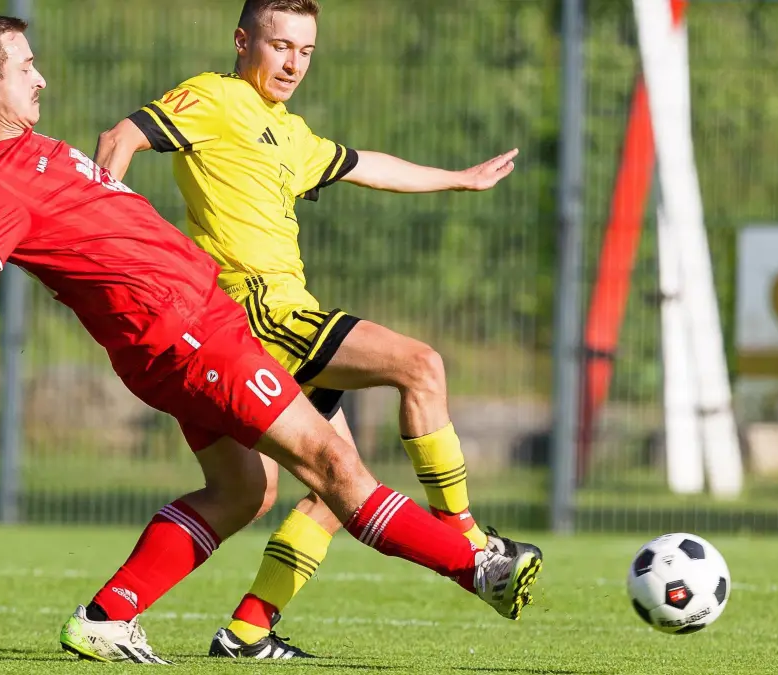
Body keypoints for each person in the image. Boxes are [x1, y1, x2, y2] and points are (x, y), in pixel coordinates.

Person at [0, 13, 542, 665]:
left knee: (243, 491)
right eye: (26, 66)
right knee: (334, 461)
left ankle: (107, 616)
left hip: (190, 328)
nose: (42, 78)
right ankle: (476, 565)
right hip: (189, 333)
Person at [94, 0, 541, 658]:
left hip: (277, 312)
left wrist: (458, 180)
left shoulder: (289, 132)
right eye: (280, 46)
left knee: (332, 486)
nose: (293, 63)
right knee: (421, 365)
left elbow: (364, 163)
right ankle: (469, 540)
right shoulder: (214, 97)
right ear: (243, 41)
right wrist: (112, 234)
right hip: (257, 310)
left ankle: (246, 626)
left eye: (305, 50)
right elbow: (118, 138)